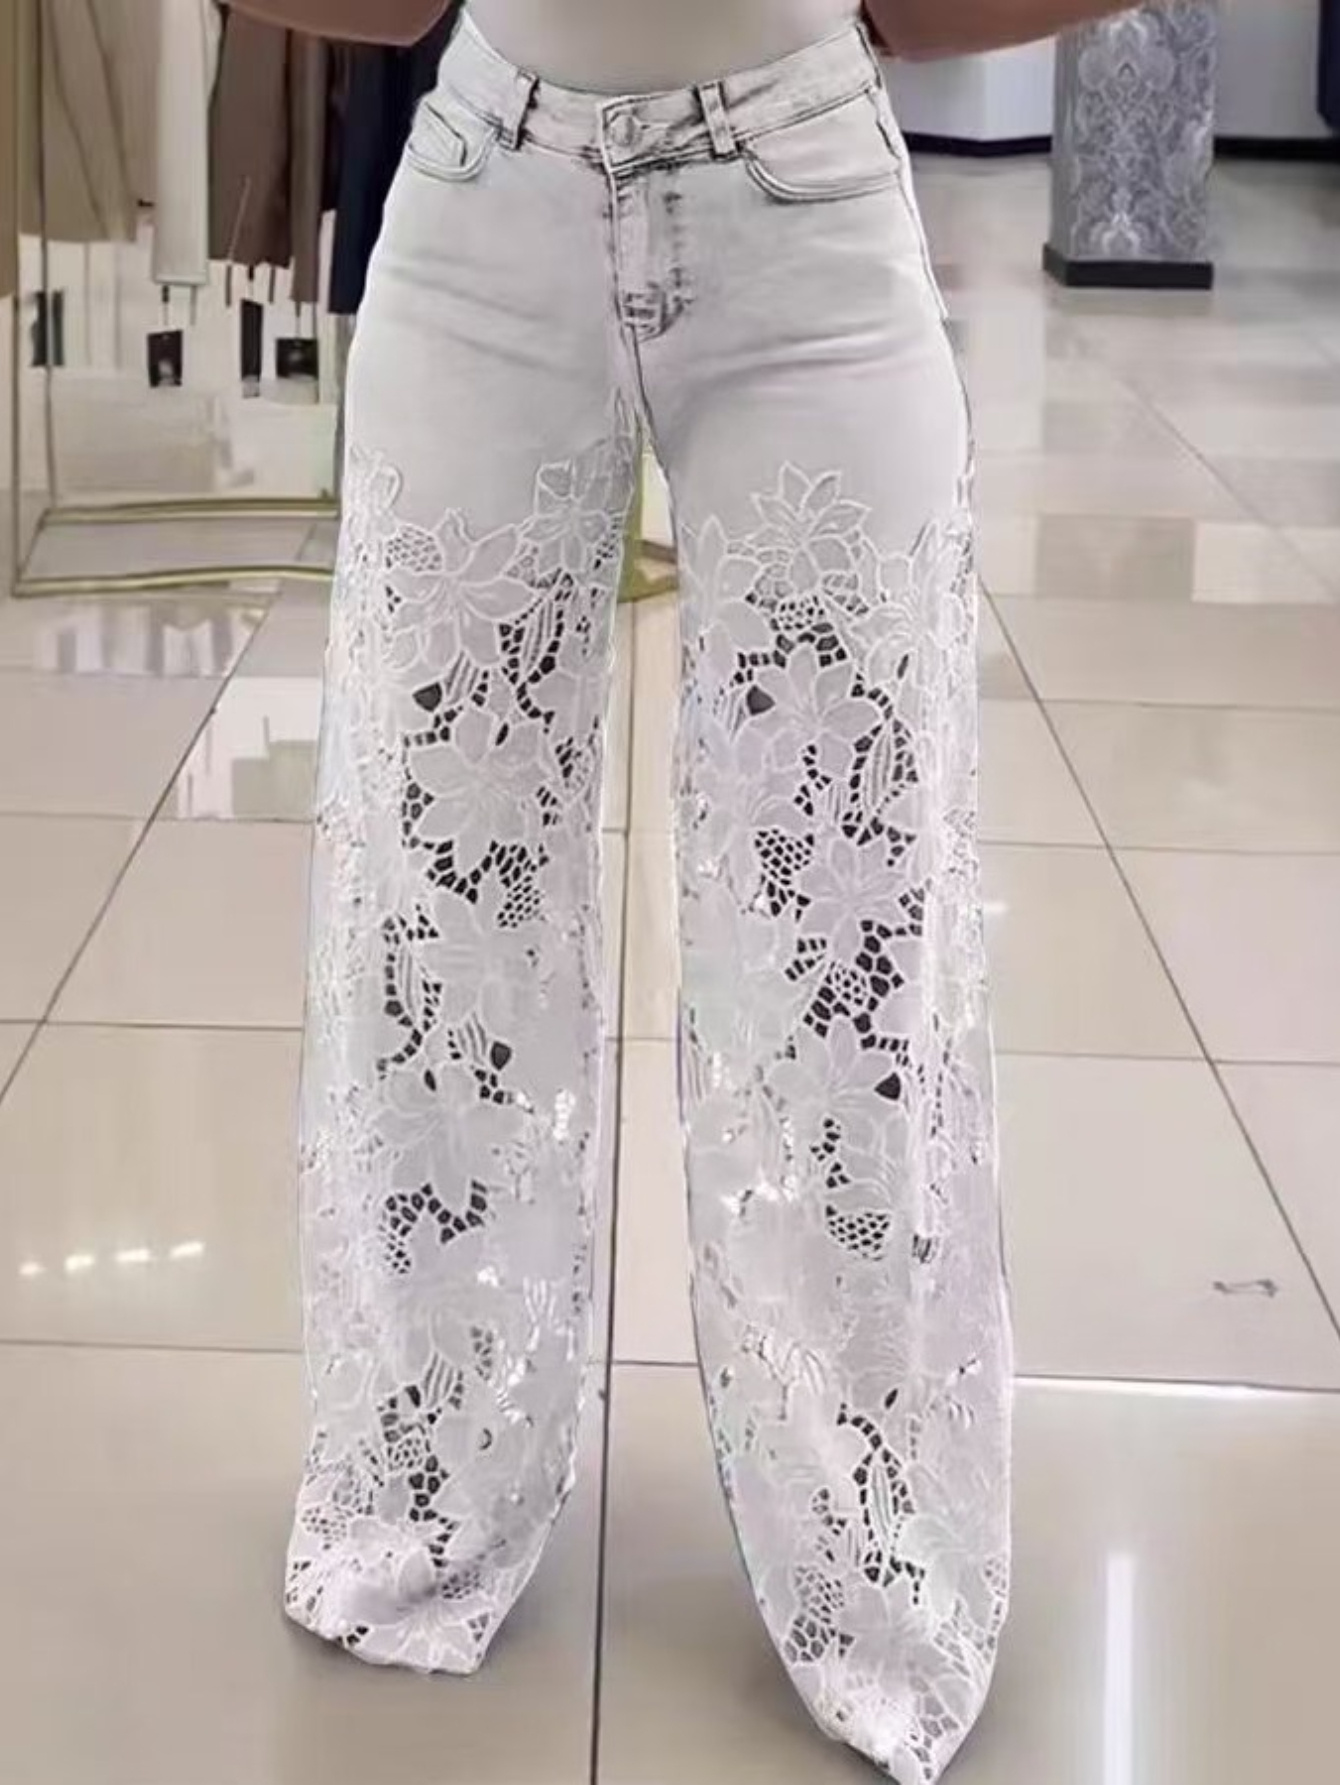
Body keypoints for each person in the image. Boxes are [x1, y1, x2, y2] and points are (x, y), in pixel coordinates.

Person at [235, 3, 1125, 1778]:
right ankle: (422, 1476)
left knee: (848, 940)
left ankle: (875, 1537)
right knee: (435, 925)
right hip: (490, 189)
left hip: (807, 201)